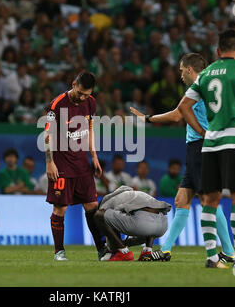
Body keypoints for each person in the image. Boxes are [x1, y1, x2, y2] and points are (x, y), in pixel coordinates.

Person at [131, 53, 235, 263]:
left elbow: (177, 114)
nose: (179, 75)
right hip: (199, 148)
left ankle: (230, 252)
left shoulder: (197, 88)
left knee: (208, 201)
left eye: (181, 70)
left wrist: (148, 118)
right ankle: (165, 250)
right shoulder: (211, 85)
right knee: (182, 200)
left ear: (189, 69)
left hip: (201, 148)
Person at [178, 30, 235, 269]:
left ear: (218, 51)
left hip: (210, 143)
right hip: (234, 140)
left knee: (209, 200)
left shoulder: (206, 73)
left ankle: (211, 257)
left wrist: (202, 132)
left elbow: (183, 106)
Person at [44, 71, 108, 261]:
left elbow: (89, 130)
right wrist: (49, 162)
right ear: (73, 84)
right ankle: (59, 252)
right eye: (80, 93)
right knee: (60, 208)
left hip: (81, 163)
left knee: (92, 206)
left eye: (86, 94)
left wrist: (94, 156)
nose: (82, 98)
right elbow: (47, 136)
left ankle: (101, 249)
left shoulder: (91, 102)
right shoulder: (56, 105)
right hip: (61, 163)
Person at [93, 186, 171, 261]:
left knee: (98, 215)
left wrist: (114, 248)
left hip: (143, 224)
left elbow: (108, 226)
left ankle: (123, 252)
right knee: (146, 215)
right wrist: (124, 243)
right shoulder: (137, 194)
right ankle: (147, 250)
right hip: (163, 224)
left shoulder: (106, 203)